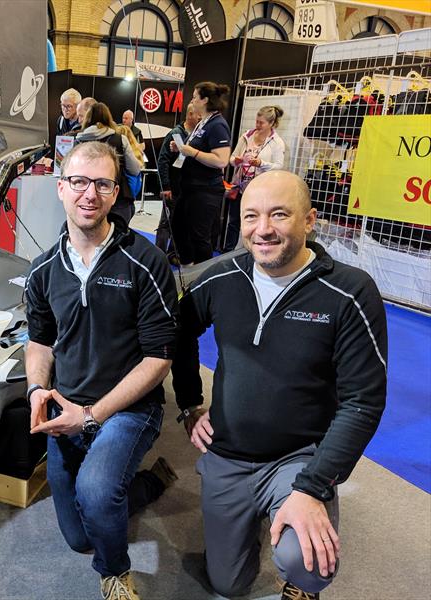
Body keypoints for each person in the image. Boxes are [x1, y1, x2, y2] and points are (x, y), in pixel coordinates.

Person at [172, 170, 387, 600]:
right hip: (228, 453)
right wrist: (190, 404)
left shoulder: (348, 292)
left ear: (309, 221)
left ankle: (300, 568)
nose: (263, 229)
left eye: (279, 214)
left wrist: (313, 486)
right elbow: (178, 333)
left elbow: (363, 401)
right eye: (251, 216)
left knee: (306, 562)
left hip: (298, 456)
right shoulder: (222, 278)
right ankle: (246, 524)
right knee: (227, 584)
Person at [25, 141, 179, 600]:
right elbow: (39, 342)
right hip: (68, 407)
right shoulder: (43, 270)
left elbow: (159, 358)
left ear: (116, 193)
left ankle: (114, 572)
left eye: (102, 184)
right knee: (79, 536)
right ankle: (147, 484)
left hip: (129, 409)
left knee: (95, 493)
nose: (88, 194)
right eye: (78, 182)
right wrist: (37, 389)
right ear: (60, 188)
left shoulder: (145, 262)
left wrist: (92, 415)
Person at [169, 81, 231, 265]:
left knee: (199, 236)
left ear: (204, 100)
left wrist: (192, 152)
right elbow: (193, 149)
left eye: (195, 97)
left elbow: (221, 160)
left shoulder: (217, 125)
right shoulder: (202, 123)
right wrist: (180, 148)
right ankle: (188, 266)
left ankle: (202, 275)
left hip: (205, 190)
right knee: (179, 228)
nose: (192, 100)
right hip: (190, 188)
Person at [224, 105, 286, 251]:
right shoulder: (247, 136)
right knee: (233, 222)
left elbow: (279, 166)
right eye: (256, 121)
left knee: (254, 224)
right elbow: (232, 158)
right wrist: (236, 161)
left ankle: (249, 253)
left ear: (271, 123)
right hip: (239, 188)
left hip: (259, 193)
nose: (257, 125)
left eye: (261, 123)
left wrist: (261, 163)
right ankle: (227, 252)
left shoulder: (277, 143)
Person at [76, 102, 142, 225]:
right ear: (108, 118)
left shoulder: (79, 140)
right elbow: (134, 169)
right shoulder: (120, 139)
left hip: (87, 198)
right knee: (118, 238)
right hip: (117, 199)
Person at [155, 102, 200, 259]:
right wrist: (166, 185)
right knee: (166, 223)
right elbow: (163, 161)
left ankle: (173, 253)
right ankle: (159, 255)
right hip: (173, 188)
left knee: (180, 224)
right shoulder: (175, 134)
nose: (201, 117)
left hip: (187, 189)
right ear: (189, 115)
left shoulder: (197, 135)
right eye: (198, 115)